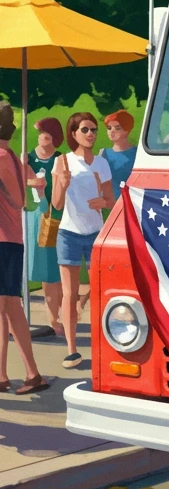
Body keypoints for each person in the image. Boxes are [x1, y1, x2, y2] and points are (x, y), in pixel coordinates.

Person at [51, 112, 114, 369]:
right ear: (73, 133)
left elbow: (111, 200)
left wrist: (103, 202)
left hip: (96, 233)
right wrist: (63, 184)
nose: (90, 134)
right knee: (69, 293)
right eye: (85, 130)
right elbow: (56, 204)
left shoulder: (101, 163)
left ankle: (104, 346)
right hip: (68, 233)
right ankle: (72, 350)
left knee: (100, 290)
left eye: (93, 130)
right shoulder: (62, 161)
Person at [0, 101, 49, 395]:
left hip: (2, 240)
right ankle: (25, 373)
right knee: (10, 307)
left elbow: (16, 200)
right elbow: (20, 200)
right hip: (12, 239)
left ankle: (16, 374)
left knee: (6, 308)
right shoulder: (13, 158)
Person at [24, 116, 65, 336]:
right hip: (33, 217)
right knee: (38, 268)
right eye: (40, 133)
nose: (42, 137)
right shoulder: (27, 158)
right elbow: (16, 182)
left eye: (47, 133)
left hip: (57, 217)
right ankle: (51, 319)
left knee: (55, 270)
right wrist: (32, 182)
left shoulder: (60, 159)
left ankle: (56, 319)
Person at [100, 109, 137, 192]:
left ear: (126, 130)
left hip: (130, 197)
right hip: (109, 198)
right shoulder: (103, 153)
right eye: (109, 128)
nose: (112, 131)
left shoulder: (137, 153)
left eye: (117, 128)